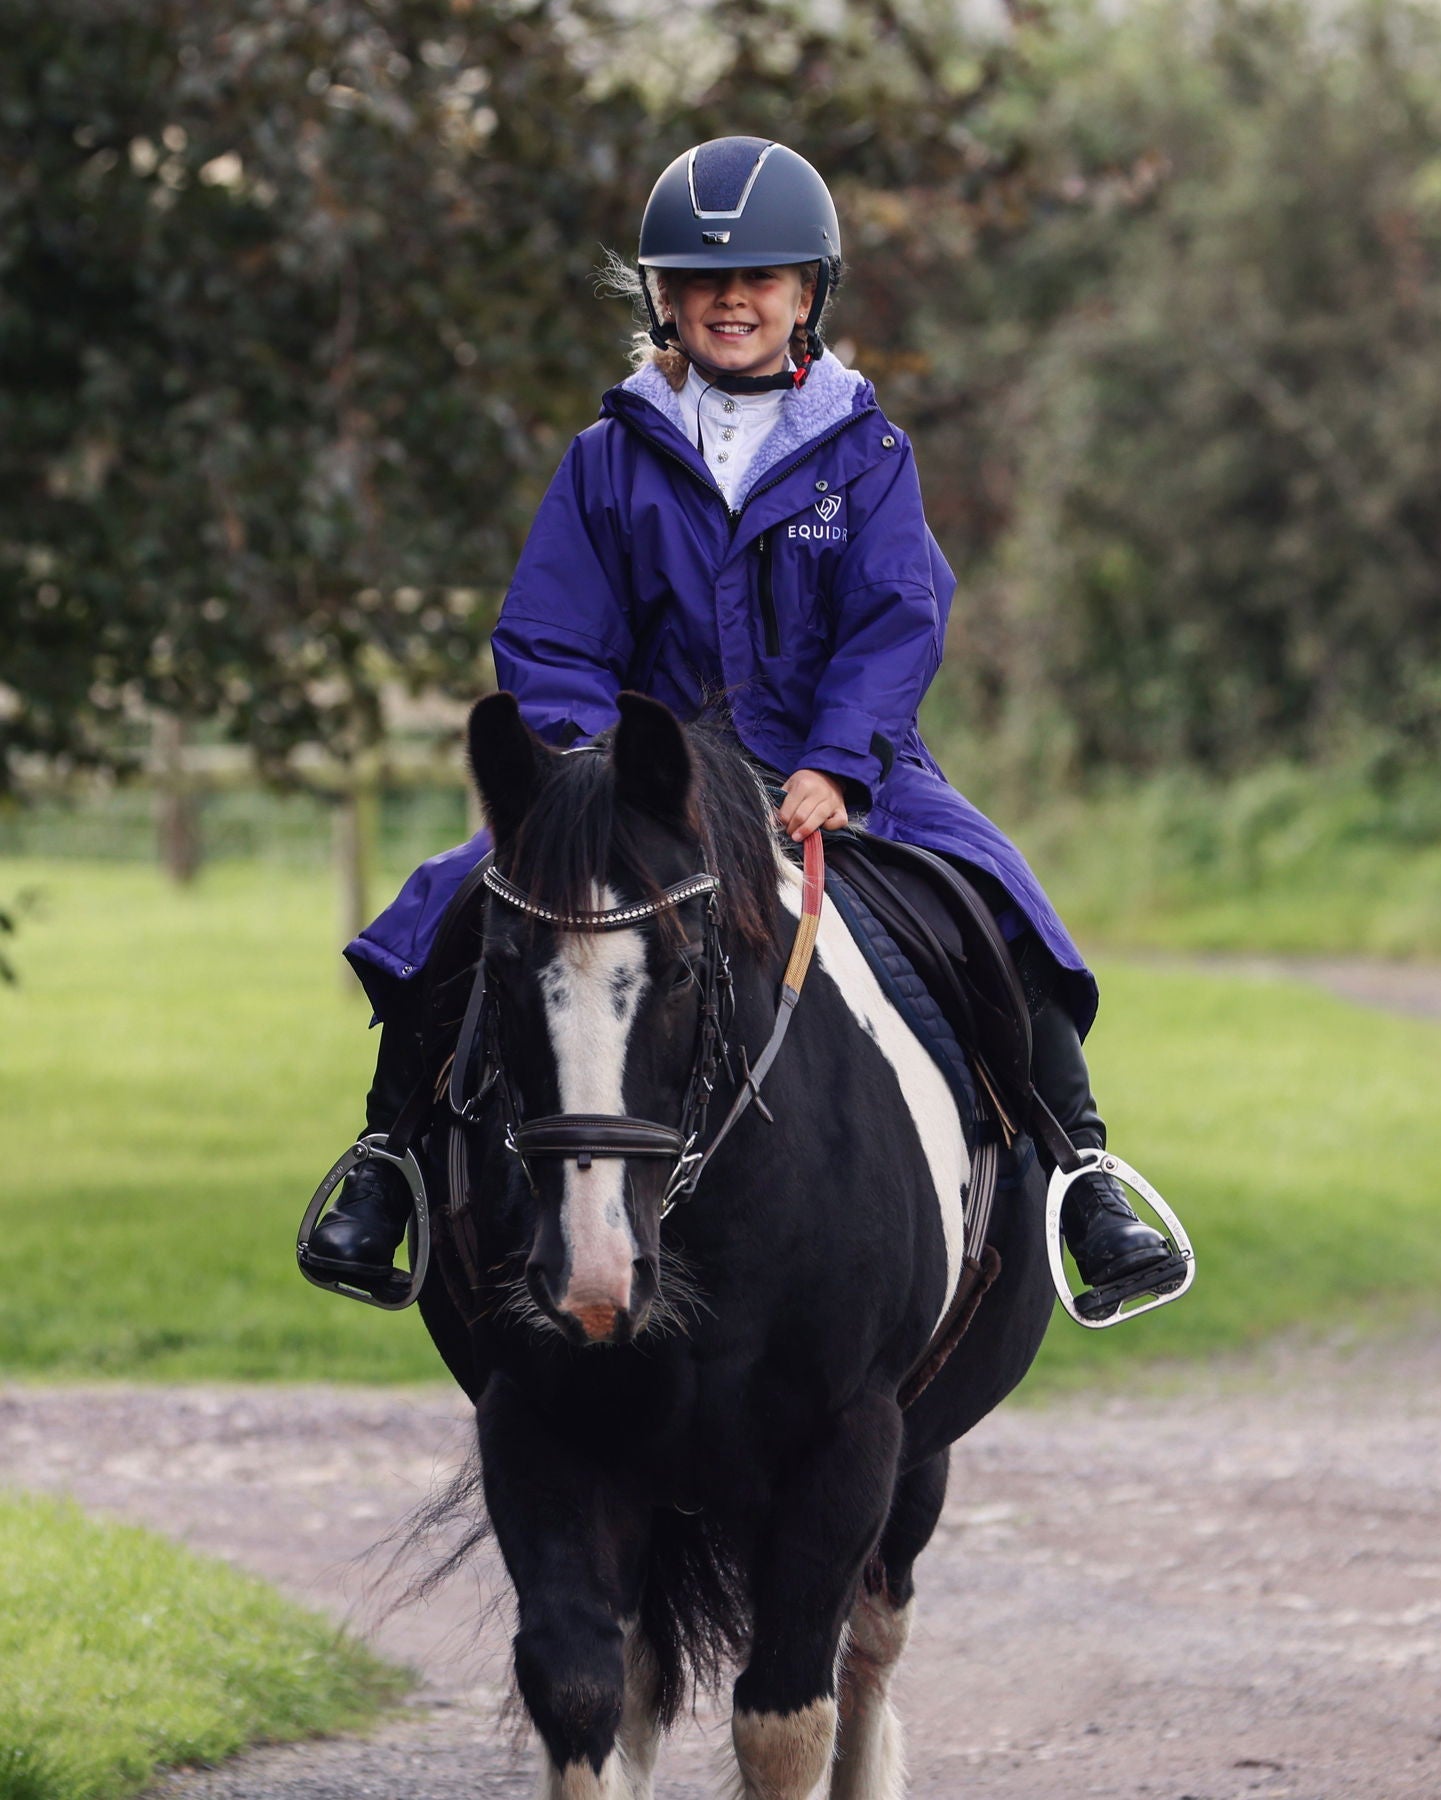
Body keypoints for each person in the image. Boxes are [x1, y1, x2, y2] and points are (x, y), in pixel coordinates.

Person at [307, 136, 1176, 1308]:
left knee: (991, 904)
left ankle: (1084, 1171)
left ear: (807, 293)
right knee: (457, 907)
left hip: (836, 763)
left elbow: (897, 619)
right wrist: (588, 770)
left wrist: (837, 762)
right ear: (664, 298)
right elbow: (550, 637)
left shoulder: (866, 455)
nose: (733, 300)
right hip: (638, 774)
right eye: (705, 281)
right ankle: (385, 1163)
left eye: (761, 279)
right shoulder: (605, 459)